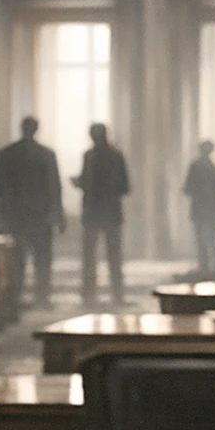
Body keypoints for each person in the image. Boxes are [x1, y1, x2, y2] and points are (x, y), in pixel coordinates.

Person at [0, 116, 65, 307]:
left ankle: (16, 297)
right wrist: (58, 214)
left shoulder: (6, 154)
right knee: (42, 259)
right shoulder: (46, 154)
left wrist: (3, 212)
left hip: (15, 215)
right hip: (40, 215)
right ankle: (42, 296)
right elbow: (54, 187)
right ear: (36, 129)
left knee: (17, 259)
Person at [75, 123, 130, 306]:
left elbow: (123, 185)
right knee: (108, 256)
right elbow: (125, 186)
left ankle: (93, 295)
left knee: (97, 256)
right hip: (106, 212)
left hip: (96, 211)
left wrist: (84, 184)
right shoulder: (112, 156)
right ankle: (114, 294)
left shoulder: (92, 156)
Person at [183, 140, 215, 274]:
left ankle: (206, 265)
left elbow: (187, 188)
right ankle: (207, 264)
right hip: (206, 207)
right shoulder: (213, 167)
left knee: (205, 238)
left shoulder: (199, 166)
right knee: (206, 238)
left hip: (202, 207)